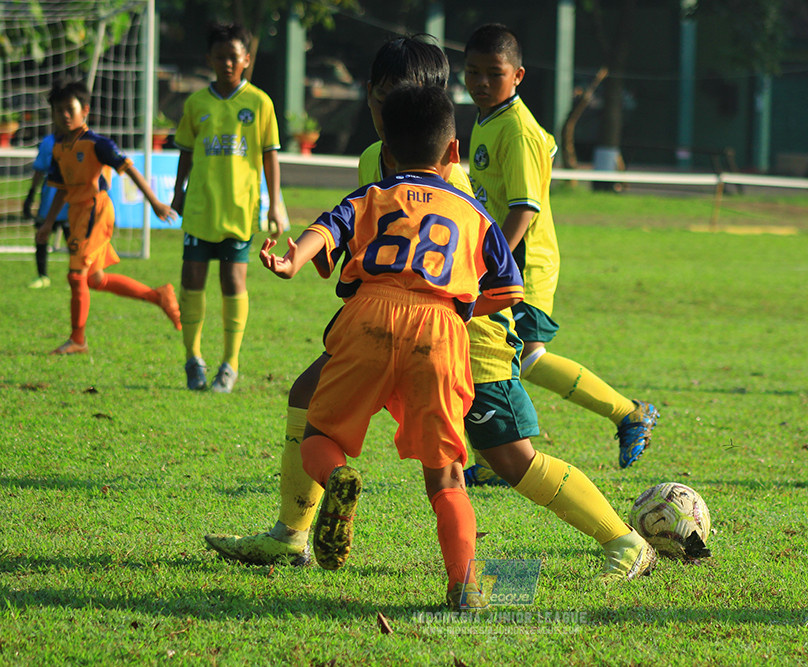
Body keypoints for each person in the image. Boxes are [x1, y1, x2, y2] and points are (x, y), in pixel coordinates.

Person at [204, 36, 658, 586]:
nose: (392, 111)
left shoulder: (449, 178)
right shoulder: (377, 157)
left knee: (513, 461)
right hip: (397, 325)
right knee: (307, 394)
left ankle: (623, 538)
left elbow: (474, 265)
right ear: (372, 96)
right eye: (384, 98)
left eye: (405, 99)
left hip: (471, 339)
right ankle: (293, 535)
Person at [259, 84, 524, 609]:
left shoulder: (372, 195)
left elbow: (325, 227)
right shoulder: (473, 213)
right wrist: (458, 307)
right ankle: (465, 585)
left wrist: (293, 260)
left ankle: (337, 477)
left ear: (387, 152)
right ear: (453, 153)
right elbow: (509, 289)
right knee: (446, 473)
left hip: (369, 317)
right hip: (442, 330)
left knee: (318, 433)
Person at [463, 23, 659, 471]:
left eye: (493, 73)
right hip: (505, 260)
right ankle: (495, 461)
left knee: (526, 359)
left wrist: (492, 263)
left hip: (524, 263)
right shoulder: (488, 119)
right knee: (487, 355)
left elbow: (524, 209)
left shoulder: (517, 130)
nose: (481, 83)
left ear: (518, 76)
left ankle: (630, 413)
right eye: (473, 72)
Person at [171, 21, 284, 393]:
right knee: (191, 280)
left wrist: (275, 204)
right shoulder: (196, 103)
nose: (227, 64)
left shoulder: (259, 103)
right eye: (220, 57)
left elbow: (270, 157)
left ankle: (230, 364)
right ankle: (193, 359)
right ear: (210, 59)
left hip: (239, 209)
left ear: (247, 59)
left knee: (232, 281)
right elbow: (185, 153)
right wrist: (177, 192)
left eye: (234, 57)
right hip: (201, 207)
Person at [35, 79, 180, 356]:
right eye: (58, 110)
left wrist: (155, 203)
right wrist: (48, 223)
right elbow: (62, 190)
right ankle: (159, 296)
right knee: (94, 279)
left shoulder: (98, 144)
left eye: (70, 109)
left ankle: (78, 340)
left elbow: (130, 169)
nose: (64, 115)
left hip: (96, 211)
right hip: (78, 213)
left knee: (76, 276)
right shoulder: (58, 148)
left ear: (85, 110)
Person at [23, 130, 70, 289]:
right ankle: (42, 276)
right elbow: (39, 170)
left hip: (72, 201)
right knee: (41, 235)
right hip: (49, 198)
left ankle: (77, 276)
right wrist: (31, 194)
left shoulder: (84, 141)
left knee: (74, 241)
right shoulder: (48, 142)